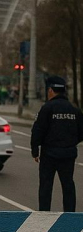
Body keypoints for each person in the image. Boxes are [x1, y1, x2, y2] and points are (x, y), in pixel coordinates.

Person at [31, 76, 83, 211]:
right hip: (68, 153)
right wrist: (70, 143)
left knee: (46, 186)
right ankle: (70, 215)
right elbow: (81, 132)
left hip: (49, 154)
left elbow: (38, 129)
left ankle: (44, 215)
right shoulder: (74, 109)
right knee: (68, 185)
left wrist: (35, 150)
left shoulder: (47, 108)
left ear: (50, 90)